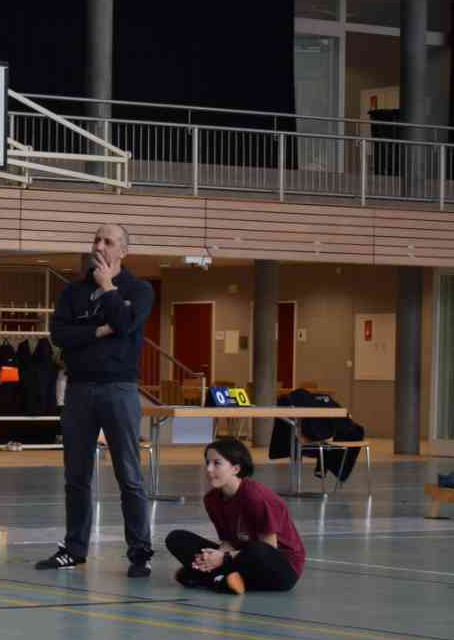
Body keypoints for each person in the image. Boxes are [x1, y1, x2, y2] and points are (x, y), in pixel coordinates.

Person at [39, 223, 157, 576]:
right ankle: (74, 548)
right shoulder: (72, 292)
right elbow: (60, 334)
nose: (99, 246)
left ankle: (139, 553)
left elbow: (126, 324)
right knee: (76, 475)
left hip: (118, 389)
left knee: (129, 475)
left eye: (108, 241)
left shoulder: (139, 290)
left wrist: (108, 288)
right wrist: (99, 330)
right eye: (96, 240)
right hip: (78, 390)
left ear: (123, 251)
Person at [166, 438, 305, 595]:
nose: (209, 469)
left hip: (280, 567)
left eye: (217, 463)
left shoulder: (257, 497)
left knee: (257, 550)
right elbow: (228, 541)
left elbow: (268, 548)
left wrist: (223, 559)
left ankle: (213, 579)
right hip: (239, 557)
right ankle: (223, 579)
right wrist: (212, 558)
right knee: (176, 538)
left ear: (236, 468)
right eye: (207, 463)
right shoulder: (211, 499)